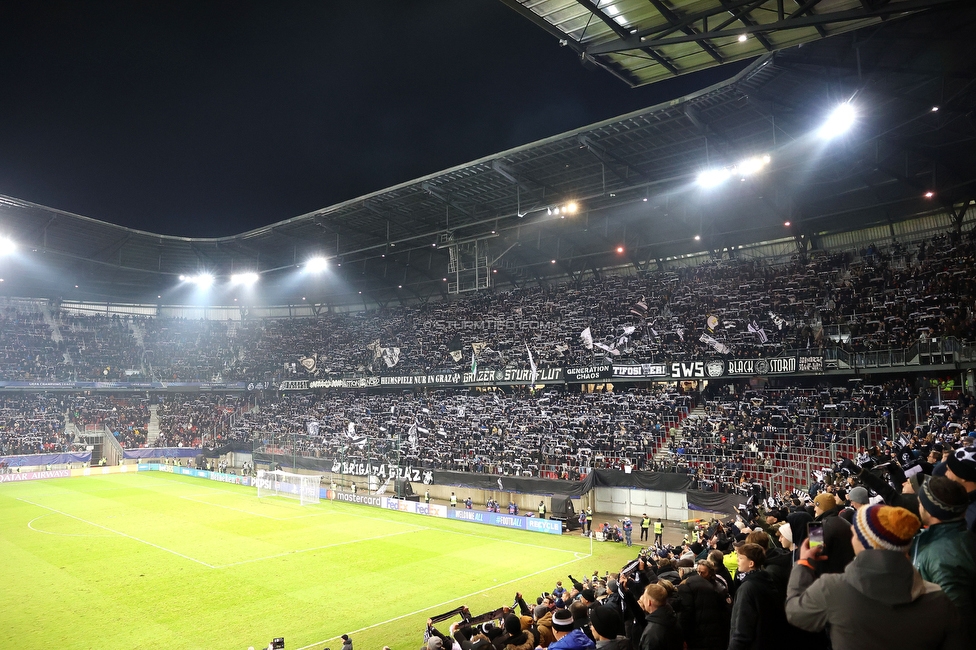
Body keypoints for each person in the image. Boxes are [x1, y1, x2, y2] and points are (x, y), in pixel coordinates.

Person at [785, 504, 965, 650]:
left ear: (866, 542)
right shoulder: (939, 598)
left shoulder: (831, 588)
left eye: (854, 533)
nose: (852, 538)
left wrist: (804, 565)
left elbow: (795, 612)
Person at [911, 476, 976, 641]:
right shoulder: (958, 536)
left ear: (931, 510)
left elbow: (956, 620)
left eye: (920, 503)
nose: (918, 506)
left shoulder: (943, 558)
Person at [727, 543, 788, 650]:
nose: (737, 561)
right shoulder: (765, 580)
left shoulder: (747, 588)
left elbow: (743, 626)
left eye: (741, 558)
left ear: (751, 563)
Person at [676, 560, 731, 650]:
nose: (700, 575)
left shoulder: (718, 589)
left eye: (703, 573)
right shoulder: (695, 586)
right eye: (698, 572)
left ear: (710, 573)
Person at [635, 582, 682, 650]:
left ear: (649, 602)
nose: (642, 599)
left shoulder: (652, 633)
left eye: (644, 597)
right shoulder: (672, 617)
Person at [945, 445, 976, 532]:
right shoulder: (964, 499)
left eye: (949, 470)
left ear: (963, 475)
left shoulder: (972, 518)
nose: (945, 474)